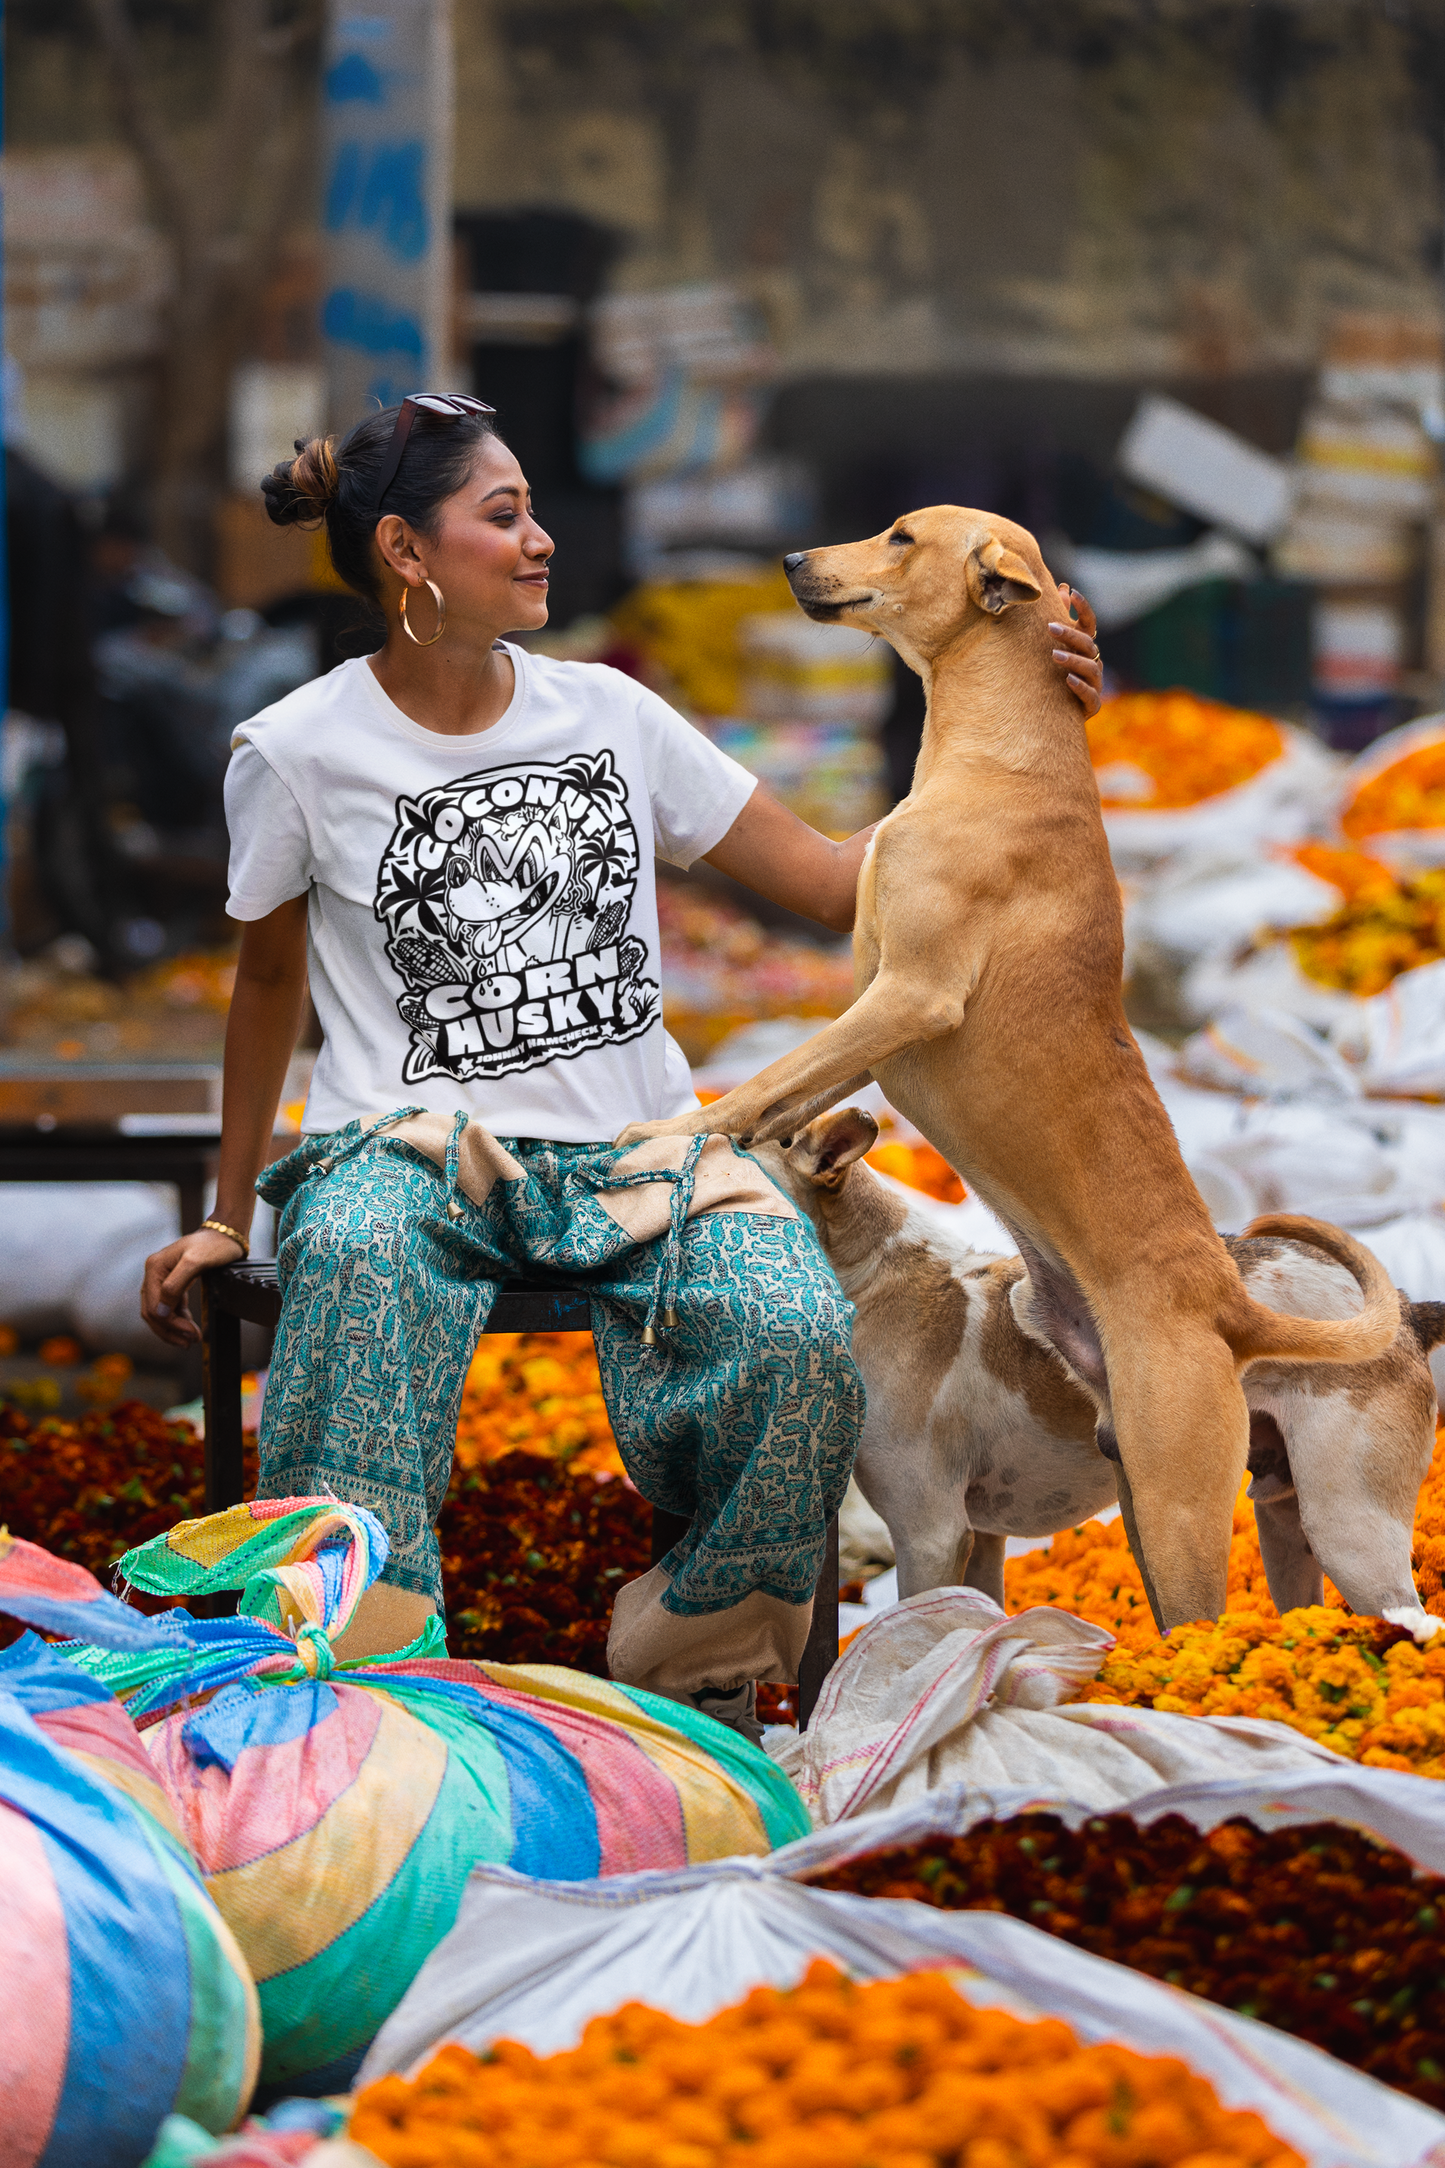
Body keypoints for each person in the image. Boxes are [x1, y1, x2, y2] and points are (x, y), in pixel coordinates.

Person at [140, 394, 1103, 1731]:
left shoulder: (611, 715)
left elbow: (838, 888)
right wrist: (224, 1215)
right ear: (409, 555)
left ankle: (691, 1674)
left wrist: (1016, 712)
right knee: (354, 1261)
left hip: (648, 1149)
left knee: (793, 1334)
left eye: (534, 512)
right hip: (412, 1151)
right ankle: (346, 1689)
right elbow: (264, 985)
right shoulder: (298, 751)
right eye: (503, 517)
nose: (540, 542)